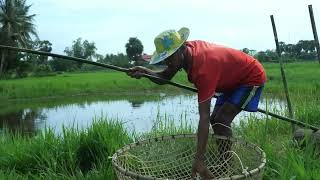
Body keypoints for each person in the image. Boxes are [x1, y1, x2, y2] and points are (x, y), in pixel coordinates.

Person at [127, 27, 267, 179]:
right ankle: (224, 165)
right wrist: (145, 72)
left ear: (182, 48)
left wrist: (198, 160)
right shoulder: (182, 56)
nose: (167, 62)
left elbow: (203, 117)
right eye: (164, 59)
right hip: (228, 79)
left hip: (249, 77)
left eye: (169, 57)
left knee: (221, 120)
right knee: (216, 120)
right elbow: (165, 77)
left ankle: (227, 167)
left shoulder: (203, 68)